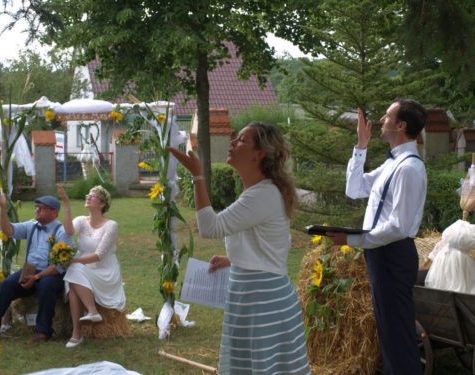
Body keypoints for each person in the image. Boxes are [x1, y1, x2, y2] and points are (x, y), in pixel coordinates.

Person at [169, 122, 311, 375]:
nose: (233, 142)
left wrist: (198, 176)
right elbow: (277, 243)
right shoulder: (260, 191)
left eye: (242, 140)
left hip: (263, 302)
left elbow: (210, 228)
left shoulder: (262, 194)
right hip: (259, 296)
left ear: (259, 154)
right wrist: (234, 258)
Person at [326, 98, 428, 375]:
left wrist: (353, 240)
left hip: (393, 255)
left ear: (401, 125)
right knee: (389, 333)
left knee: (397, 337)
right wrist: (361, 146)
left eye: (387, 116)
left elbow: (397, 226)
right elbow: (355, 188)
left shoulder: (407, 168)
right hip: (383, 254)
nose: (382, 120)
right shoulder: (395, 164)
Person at [0, 192, 74, 343]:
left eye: (42, 208)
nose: (37, 210)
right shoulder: (31, 226)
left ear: (54, 213)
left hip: (52, 274)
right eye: (37, 207)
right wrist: (2, 207)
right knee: (6, 285)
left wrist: (36, 278)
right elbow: (8, 229)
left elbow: (59, 266)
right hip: (30, 271)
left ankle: (44, 332)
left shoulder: (62, 232)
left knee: (46, 286)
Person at [58, 185, 126, 349]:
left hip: (104, 269)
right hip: (83, 267)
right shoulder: (81, 220)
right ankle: (87, 319)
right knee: (74, 278)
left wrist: (72, 261)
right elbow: (68, 230)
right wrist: (66, 203)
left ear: (102, 204)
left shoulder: (111, 225)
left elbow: (99, 255)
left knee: (74, 270)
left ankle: (79, 330)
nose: (88, 197)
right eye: (87, 195)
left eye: (93, 196)